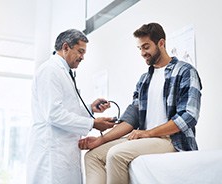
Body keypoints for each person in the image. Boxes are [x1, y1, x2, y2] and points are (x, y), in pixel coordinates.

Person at [78, 22, 202, 184]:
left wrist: (148, 133)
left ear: (161, 43)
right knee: (93, 156)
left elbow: (188, 117)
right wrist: (100, 140)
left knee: (116, 155)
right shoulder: (144, 80)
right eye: (140, 49)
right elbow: (131, 118)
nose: (143, 53)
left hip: (172, 140)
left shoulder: (185, 71)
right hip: (145, 138)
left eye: (146, 47)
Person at [26, 29, 116, 184]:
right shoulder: (50, 71)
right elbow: (54, 114)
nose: (82, 57)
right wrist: (93, 123)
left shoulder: (64, 72)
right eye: (80, 52)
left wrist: (90, 108)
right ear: (66, 47)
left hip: (64, 151)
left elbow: (66, 109)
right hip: (51, 153)